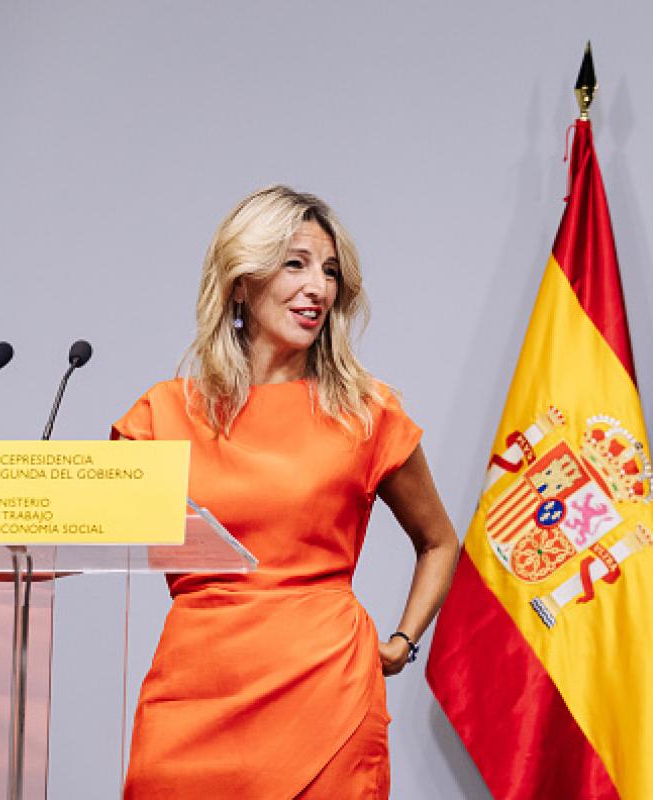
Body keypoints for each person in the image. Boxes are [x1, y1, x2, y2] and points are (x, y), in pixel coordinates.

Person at [114, 186, 459, 798]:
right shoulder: (164, 413)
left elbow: (439, 541)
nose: (318, 288)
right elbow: (79, 526)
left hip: (324, 694)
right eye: (295, 263)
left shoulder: (365, 412)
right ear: (241, 280)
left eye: (330, 272)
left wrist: (402, 643)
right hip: (193, 698)